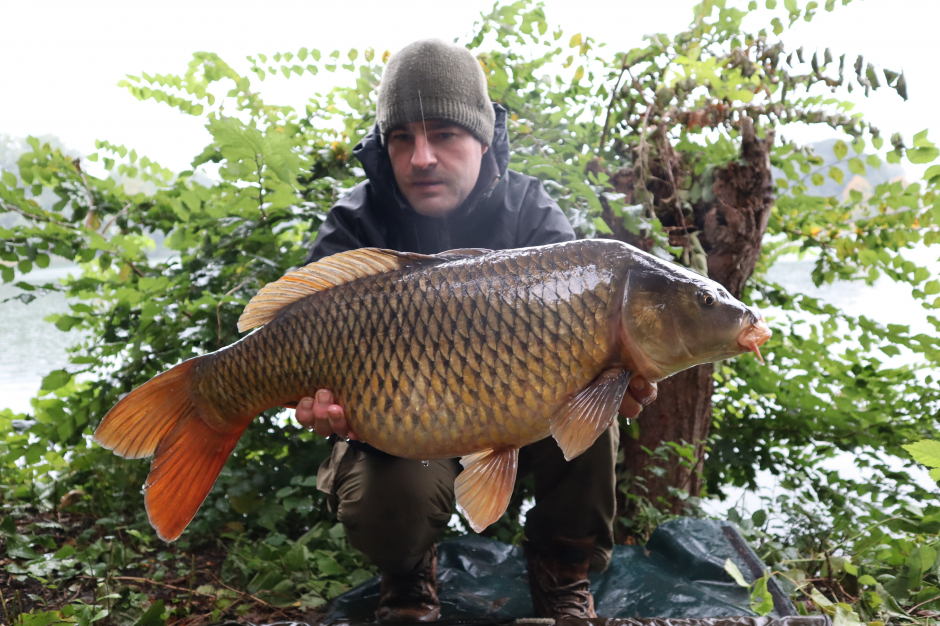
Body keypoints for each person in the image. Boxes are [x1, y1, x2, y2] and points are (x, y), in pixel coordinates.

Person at [292, 39, 658, 621]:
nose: (421, 158)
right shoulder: (356, 223)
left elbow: (599, 333)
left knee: (596, 401)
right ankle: (406, 572)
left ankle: (563, 572)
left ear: (482, 140)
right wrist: (327, 407)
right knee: (389, 500)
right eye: (402, 139)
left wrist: (624, 372)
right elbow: (296, 325)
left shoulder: (532, 215)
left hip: (521, 403)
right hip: (401, 422)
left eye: (443, 134)